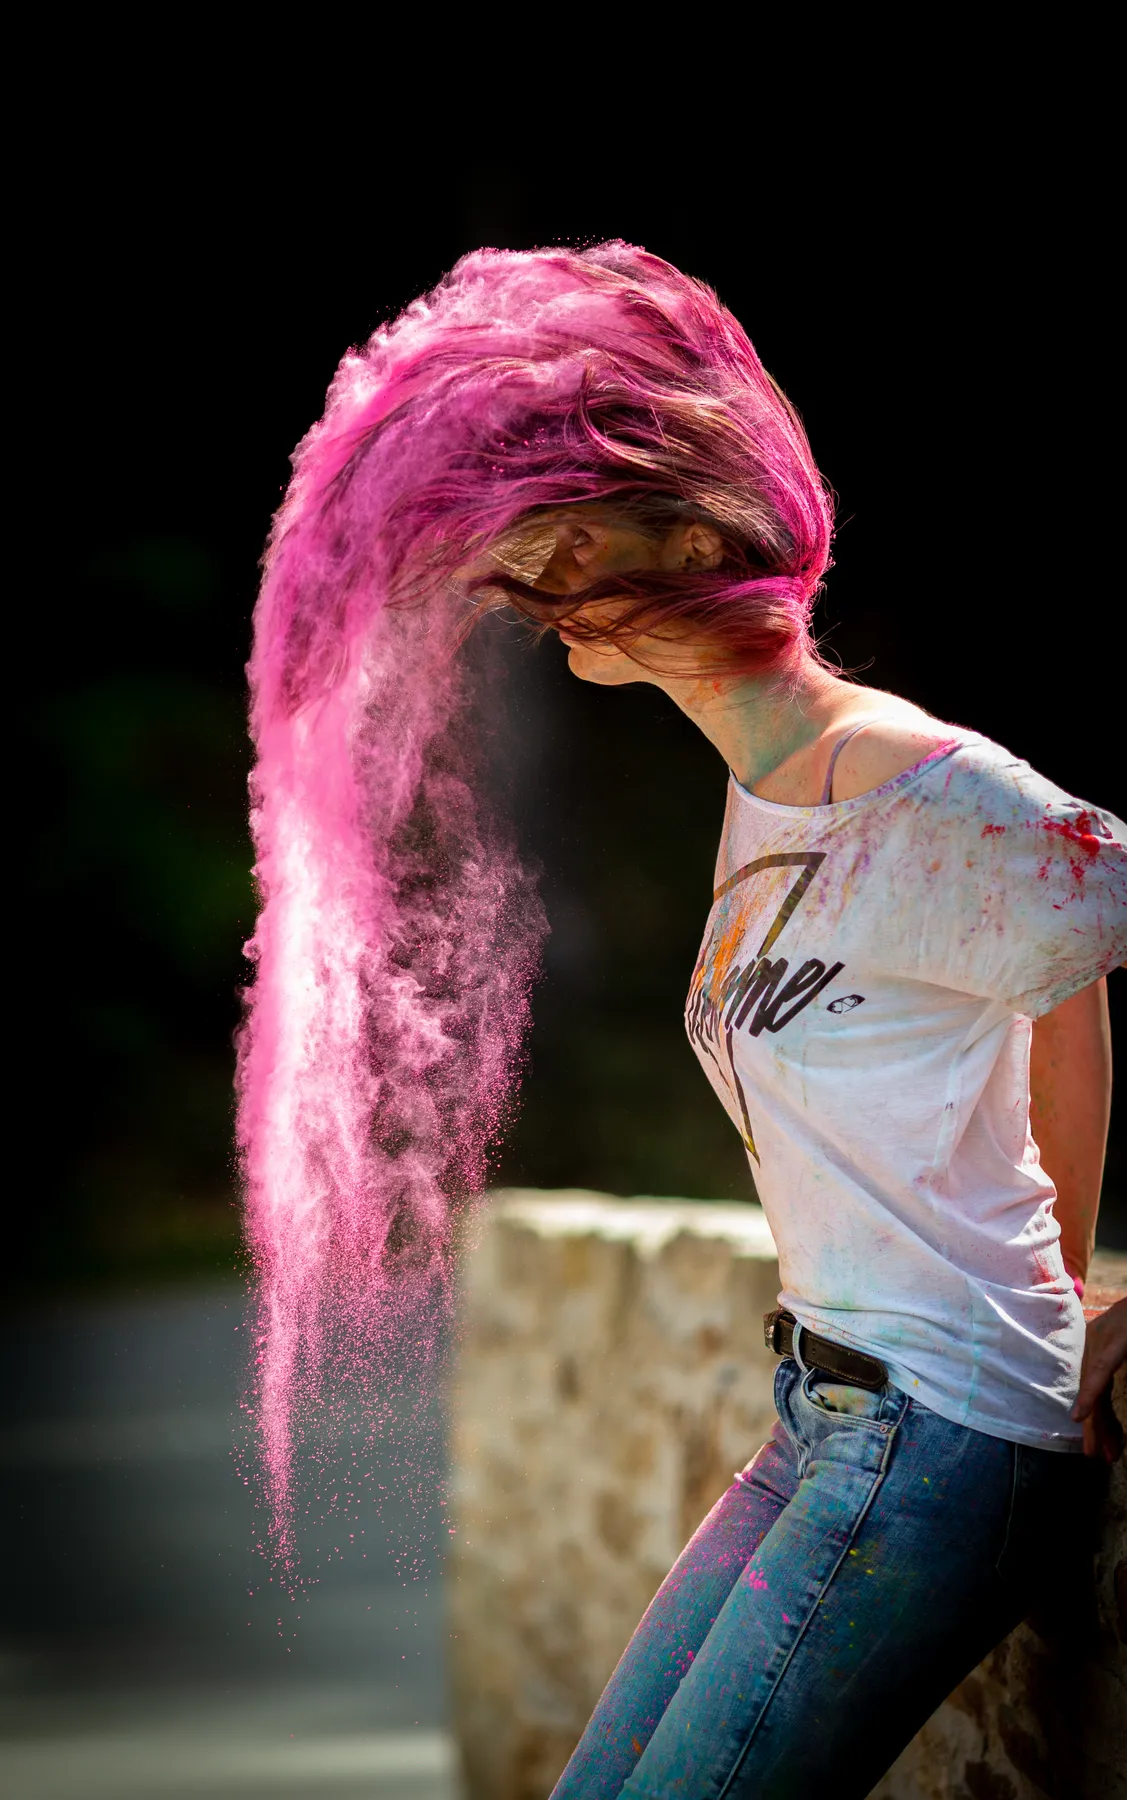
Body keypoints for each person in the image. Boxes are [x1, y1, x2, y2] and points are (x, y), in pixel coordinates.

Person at [243, 243, 1127, 1795]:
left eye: (559, 554)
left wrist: (1088, 1310)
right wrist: (1058, 1278)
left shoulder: (943, 797)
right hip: (830, 1412)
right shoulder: (765, 789)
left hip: (943, 1437)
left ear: (661, 557)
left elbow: (1076, 982)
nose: (530, 597)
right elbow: (1047, 1018)